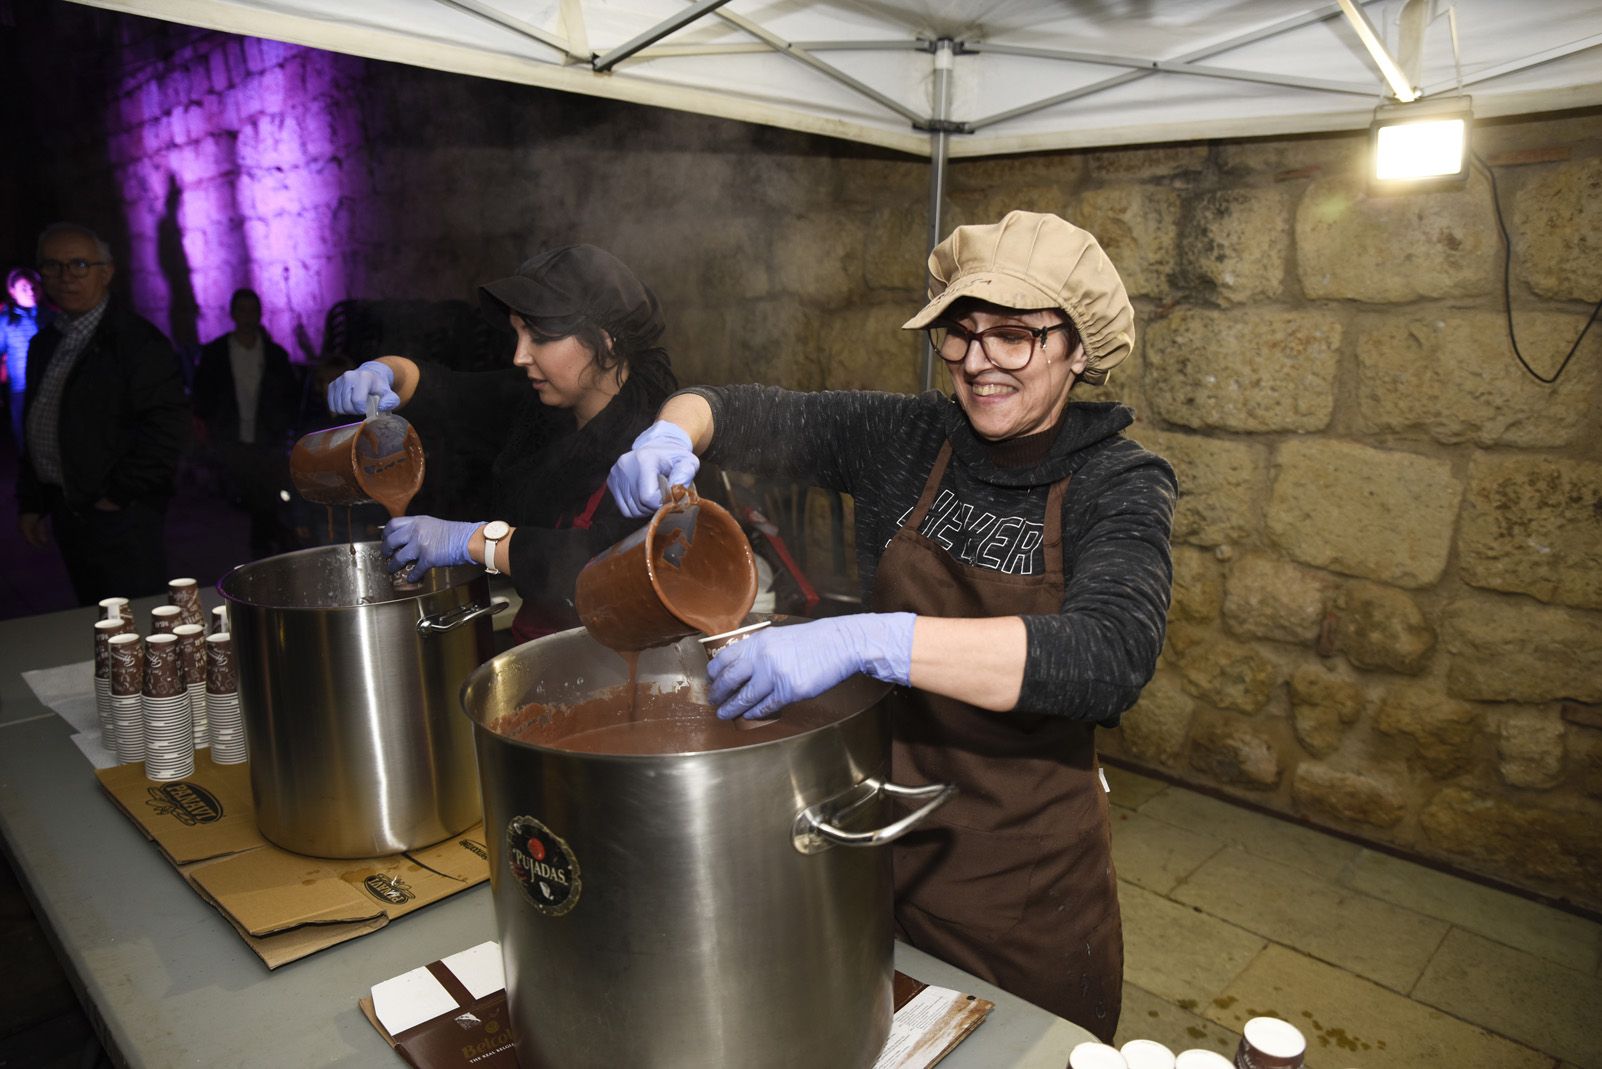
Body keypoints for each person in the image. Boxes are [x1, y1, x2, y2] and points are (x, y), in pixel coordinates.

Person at [607, 210, 1176, 1043]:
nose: (978, 361)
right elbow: (737, 409)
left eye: (1012, 336)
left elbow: (1110, 655)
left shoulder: (1119, 481)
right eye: (960, 332)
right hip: (873, 847)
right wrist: (670, 429)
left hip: (1021, 883)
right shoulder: (907, 436)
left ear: (1078, 346)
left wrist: (867, 638)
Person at [324, 244, 678, 641]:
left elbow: (607, 567)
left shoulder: (660, 444)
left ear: (606, 340)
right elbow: (444, 392)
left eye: (540, 337)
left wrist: (472, 540)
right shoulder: (538, 409)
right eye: (517, 333)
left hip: (628, 656)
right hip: (546, 647)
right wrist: (384, 373)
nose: (519, 355)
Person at [16, 223, 189, 604]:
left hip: (119, 515)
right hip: (68, 506)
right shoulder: (47, 340)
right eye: (52, 266)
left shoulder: (136, 342)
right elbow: (38, 423)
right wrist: (33, 501)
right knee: (92, 610)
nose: (65, 277)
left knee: (135, 618)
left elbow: (166, 428)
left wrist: (118, 495)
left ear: (106, 272)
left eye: (79, 264)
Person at [192, 287, 300, 558]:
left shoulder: (274, 355)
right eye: (242, 310)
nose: (247, 317)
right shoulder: (216, 353)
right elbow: (203, 392)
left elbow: (289, 393)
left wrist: (283, 424)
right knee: (251, 491)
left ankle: (263, 543)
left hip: (267, 434)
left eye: (252, 310)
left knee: (266, 489)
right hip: (232, 435)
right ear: (233, 314)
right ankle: (269, 540)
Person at [1, 266, 45, 448]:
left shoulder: (51, 316)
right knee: (24, 435)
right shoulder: (6, 321)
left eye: (34, 287)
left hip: (49, 387)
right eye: (24, 289)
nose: (31, 292)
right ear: (12, 292)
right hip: (21, 388)